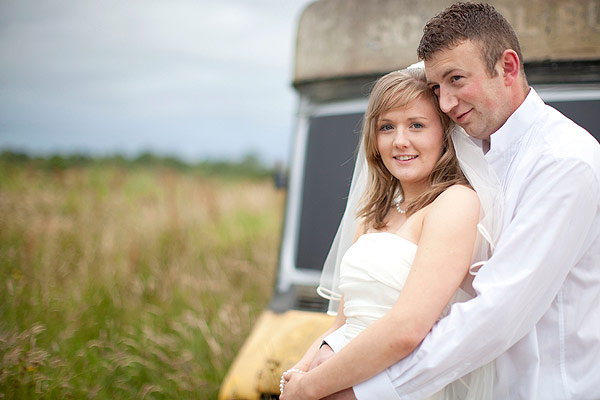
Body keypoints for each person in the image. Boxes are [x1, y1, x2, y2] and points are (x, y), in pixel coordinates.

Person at [285, 2, 600, 399]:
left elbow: (495, 314)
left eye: (456, 79)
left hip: (546, 388)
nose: (446, 103)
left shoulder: (562, 161)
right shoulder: (468, 155)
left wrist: (357, 390)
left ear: (507, 67)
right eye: (437, 88)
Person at [280, 67, 499, 399]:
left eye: (416, 125)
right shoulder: (375, 214)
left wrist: (312, 388)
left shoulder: (455, 203)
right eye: (386, 127)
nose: (400, 141)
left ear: (445, 132)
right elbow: (342, 323)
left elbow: (407, 331)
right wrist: (297, 376)